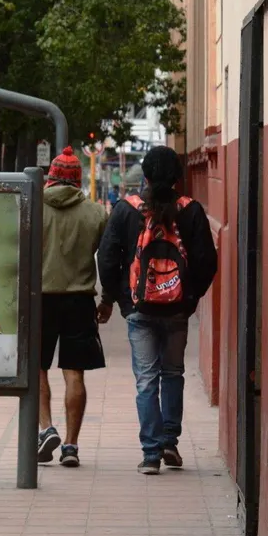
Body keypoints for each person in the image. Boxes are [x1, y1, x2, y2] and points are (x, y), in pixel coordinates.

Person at [97, 146, 217, 475]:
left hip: (139, 310)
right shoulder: (191, 211)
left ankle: (151, 454)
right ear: (179, 177)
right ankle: (169, 442)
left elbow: (107, 258)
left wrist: (119, 299)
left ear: (145, 176)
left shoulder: (126, 210)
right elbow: (207, 262)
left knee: (146, 380)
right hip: (177, 309)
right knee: (173, 373)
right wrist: (189, 299)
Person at [37, 146, 109, 468]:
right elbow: (105, 259)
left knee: (37, 367)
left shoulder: (34, 208)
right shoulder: (95, 214)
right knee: (74, 372)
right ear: (78, 181)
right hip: (79, 299)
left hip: (40, 298)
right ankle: (70, 445)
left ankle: (46, 428)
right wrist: (107, 300)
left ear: (51, 178)